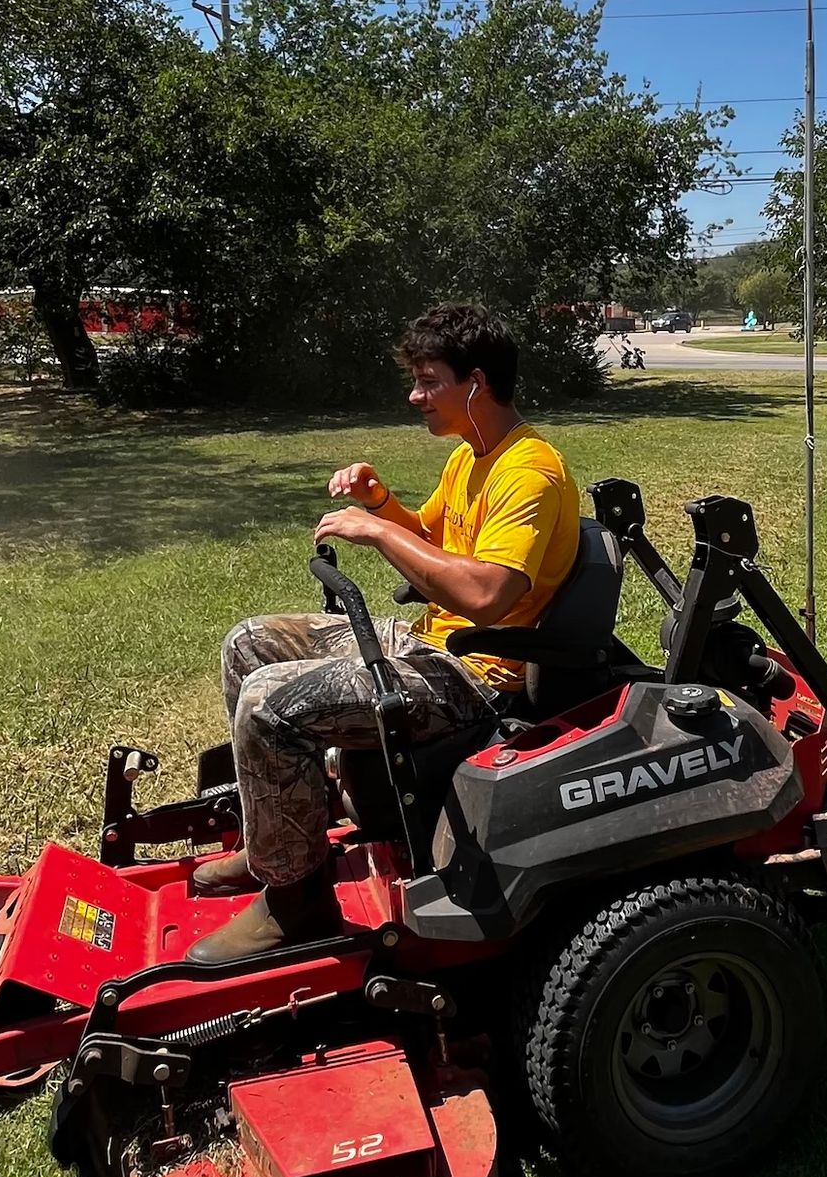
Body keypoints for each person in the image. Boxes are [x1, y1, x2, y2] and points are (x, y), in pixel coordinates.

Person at [188, 303, 581, 961]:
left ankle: (297, 903)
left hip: (478, 675)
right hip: (433, 644)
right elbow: (435, 539)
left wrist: (375, 531)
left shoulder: (528, 472)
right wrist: (381, 503)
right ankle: (278, 850)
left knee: (268, 705)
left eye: (429, 381)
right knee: (249, 642)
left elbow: (487, 594)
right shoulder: (472, 457)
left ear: (475, 384)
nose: (415, 395)